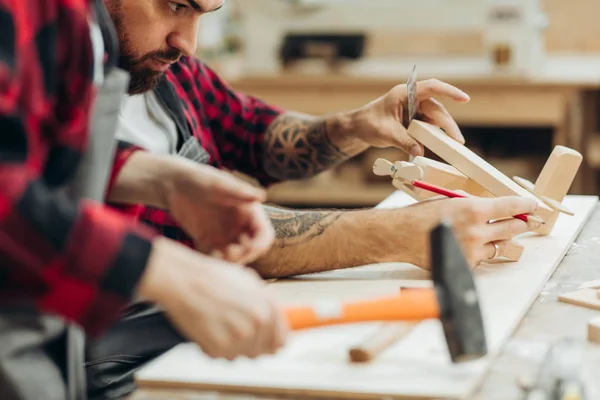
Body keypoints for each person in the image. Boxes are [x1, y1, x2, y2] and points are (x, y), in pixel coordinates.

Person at [81, 0, 543, 399]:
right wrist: (396, 233)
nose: (189, 43)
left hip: (214, 327)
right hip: (122, 368)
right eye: (175, 6)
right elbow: (206, 231)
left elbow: (257, 136)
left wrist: (357, 126)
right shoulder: (59, 102)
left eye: (204, 13)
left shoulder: (158, 69)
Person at [0, 1, 288, 399]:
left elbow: (33, 152)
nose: (188, 44)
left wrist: (160, 179)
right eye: (173, 4)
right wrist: (157, 267)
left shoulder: (88, 28)